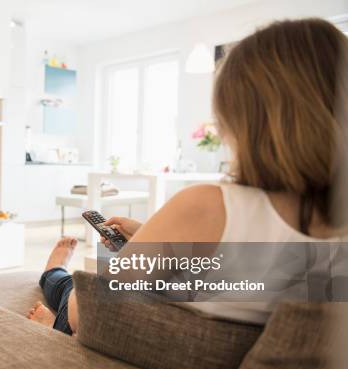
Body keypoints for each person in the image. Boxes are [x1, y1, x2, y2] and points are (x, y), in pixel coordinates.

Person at [27, 18, 348, 335]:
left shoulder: (209, 206)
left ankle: (52, 289)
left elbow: (90, 313)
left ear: (243, 118)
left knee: (70, 287)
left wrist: (140, 251)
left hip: (134, 343)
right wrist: (149, 239)